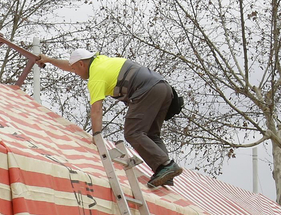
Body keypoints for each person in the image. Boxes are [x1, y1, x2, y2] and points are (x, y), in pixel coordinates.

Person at [41, 48, 182, 187]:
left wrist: (97, 137)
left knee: (133, 132)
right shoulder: (100, 61)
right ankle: (165, 173)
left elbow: (96, 110)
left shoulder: (96, 77)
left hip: (146, 91)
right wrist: (49, 60)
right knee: (151, 135)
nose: (75, 73)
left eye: (75, 70)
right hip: (163, 88)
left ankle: (166, 165)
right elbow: (71, 65)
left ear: (82, 64)